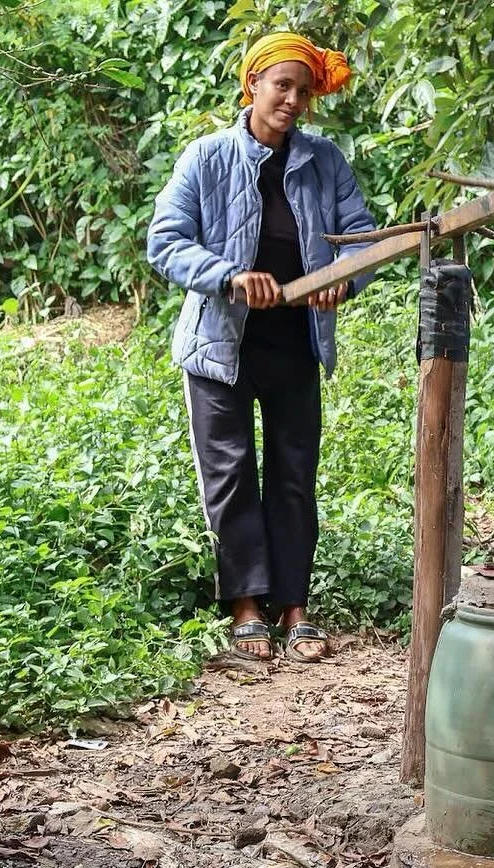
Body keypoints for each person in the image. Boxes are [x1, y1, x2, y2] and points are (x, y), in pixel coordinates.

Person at [146, 32, 376, 664]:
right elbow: (165, 240)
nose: (293, 99)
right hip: (222, 346)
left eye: (303, 90)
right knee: (230, 474)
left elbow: (360, 238)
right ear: (253, 86)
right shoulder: (208, 157)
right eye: (282, 85)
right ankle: (247, 607)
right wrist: (226, 274)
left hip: (295, 344)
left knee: (295, 476)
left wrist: (342, 281)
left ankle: (295, 606)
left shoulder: (325, 160)